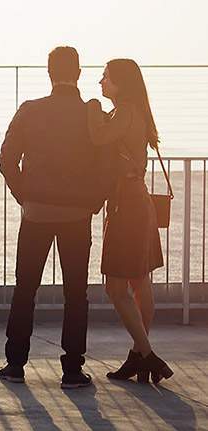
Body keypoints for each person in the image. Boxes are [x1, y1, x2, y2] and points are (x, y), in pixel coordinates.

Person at [0, 46, 108, 389]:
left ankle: (15, 365)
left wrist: (24, 195)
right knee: (76, 293)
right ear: (79, 72)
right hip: (77, 214)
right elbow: (109, 165)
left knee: (25, 289)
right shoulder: (91, 113)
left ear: (49, 72)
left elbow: (6, 159)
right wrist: (93, 201)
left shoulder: (31, 111)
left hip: (36, 213)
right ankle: (72, 370)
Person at [88, 58, 173, 383]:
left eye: (105, 77)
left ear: (121, 82)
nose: (100, 83)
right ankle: (139, 356)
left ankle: (147, 355)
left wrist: (92, 108)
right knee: (140, 282)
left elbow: (97, 137)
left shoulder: (123, 112)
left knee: (115, 286)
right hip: (136, 201)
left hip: (126, 205)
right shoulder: (135, 111)